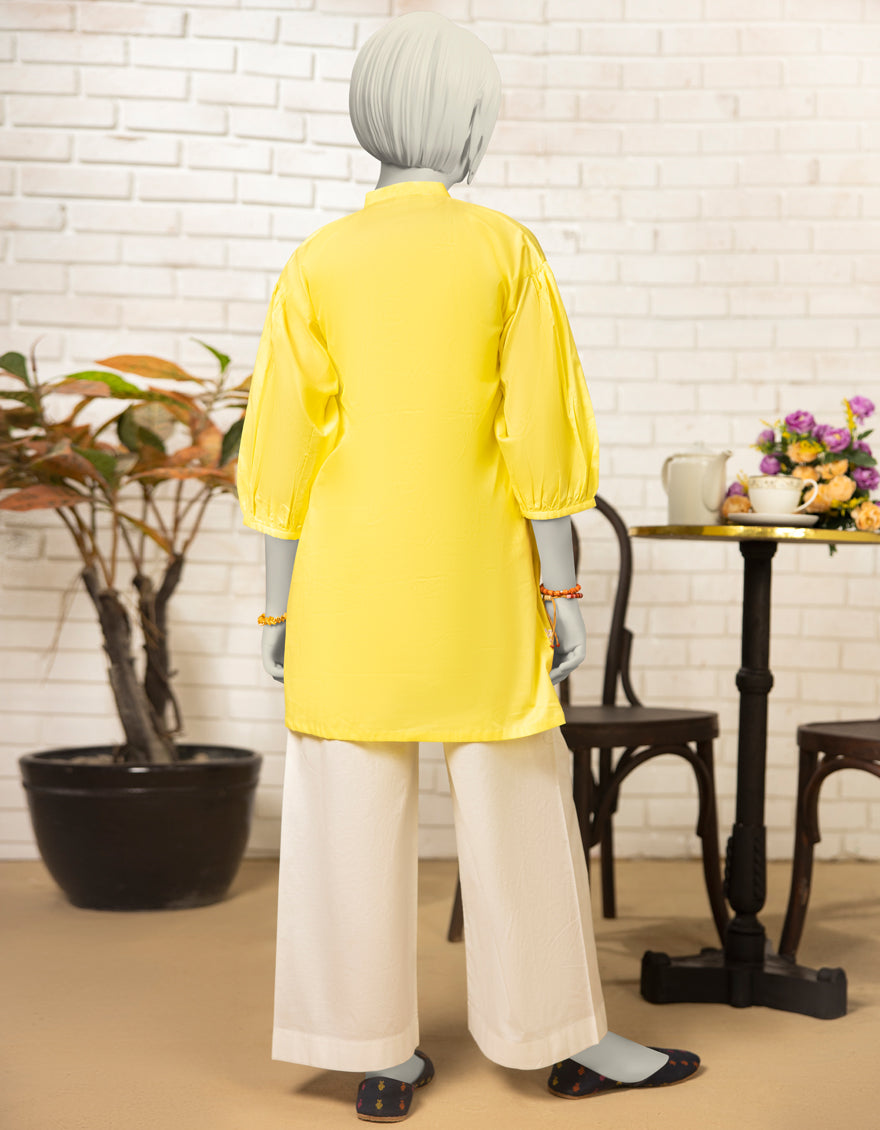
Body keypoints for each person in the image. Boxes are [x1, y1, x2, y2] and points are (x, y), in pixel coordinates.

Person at [236, 11, 700, 1123]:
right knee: (519, 804)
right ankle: (563, 1038)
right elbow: (539, 439)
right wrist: (563, 590)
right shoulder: (505, 251)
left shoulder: (316, 262)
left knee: (345, 808)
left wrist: (276, 610)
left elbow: (283, 450)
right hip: (479, 578)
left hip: (345, 580)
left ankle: (369, 1050)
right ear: (471, 121)